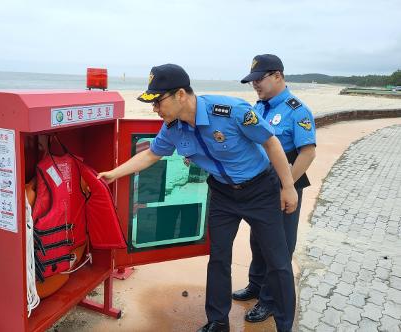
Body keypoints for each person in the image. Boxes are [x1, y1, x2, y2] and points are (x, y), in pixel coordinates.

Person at [98, 63, 298, 332]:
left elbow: (270, 143)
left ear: (180, 94)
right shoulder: (173, 128)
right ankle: (217, 321)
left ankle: (285, 326)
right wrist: (113, 173)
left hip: (260, 190)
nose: (154, 108)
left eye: (158, 101)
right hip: (223, 194)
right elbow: (151, 154)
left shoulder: (231, 112)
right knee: (218, 258)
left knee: (278, 260)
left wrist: (288, 186)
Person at [232, 54, 316, 325]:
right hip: (259, 188)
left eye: (259, 79)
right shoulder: (259, 107)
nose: (255, 84)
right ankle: (255, 286)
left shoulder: (297, 110)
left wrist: (286, 186)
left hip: (284, 187)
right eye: (252, 80)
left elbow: (308, 153)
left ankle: (269, 300)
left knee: (278, 246)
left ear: (277, 76)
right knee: (257, 240)